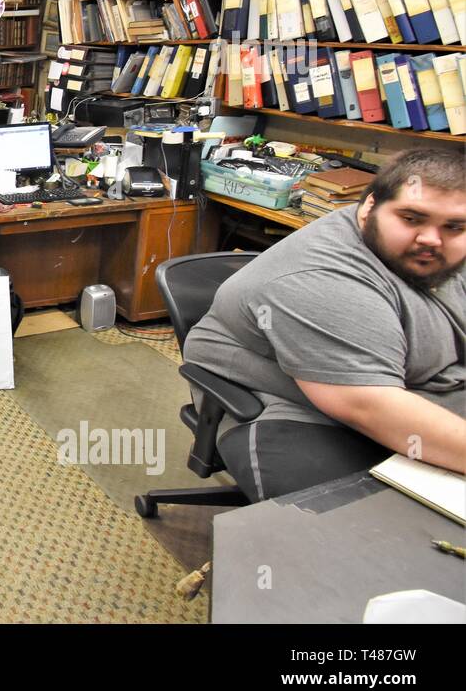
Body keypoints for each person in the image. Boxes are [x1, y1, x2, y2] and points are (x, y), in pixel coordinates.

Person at [182, 148, 466, 501]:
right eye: (411, 218)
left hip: (419, 384)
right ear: (369, 208)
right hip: (292, 409)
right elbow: (371, 407)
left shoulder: (428, 251)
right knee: (363, 535)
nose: (431, 238)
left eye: (454, 226)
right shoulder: (319, 280)